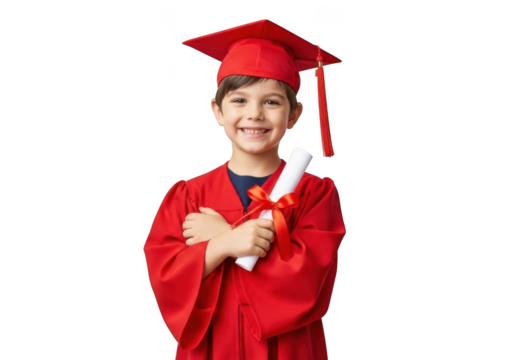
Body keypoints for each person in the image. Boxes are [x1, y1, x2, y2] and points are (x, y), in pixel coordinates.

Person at [143, 19, 347, 360]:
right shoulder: (188, 195)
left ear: (295, 114)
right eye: (239, 101)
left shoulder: (314, 194)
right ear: (217, 111)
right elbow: (164, 273)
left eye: (271, 102)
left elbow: (309, 282)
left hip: (288, 349)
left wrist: (223, 237)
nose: (254, 114)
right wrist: (226, 244)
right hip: (211, 345)